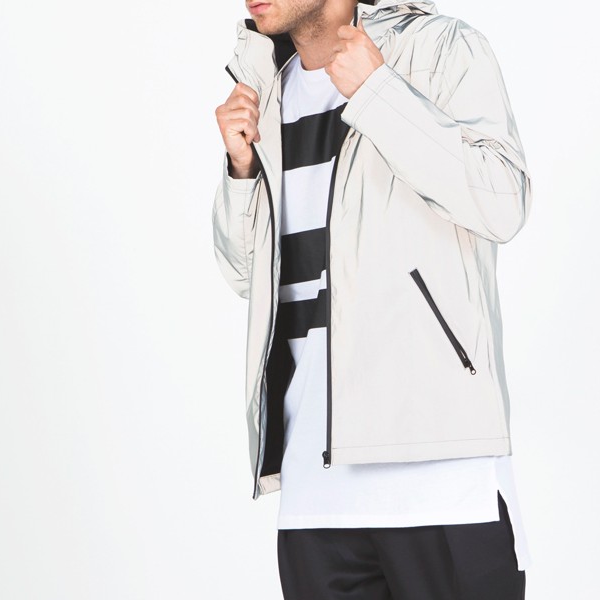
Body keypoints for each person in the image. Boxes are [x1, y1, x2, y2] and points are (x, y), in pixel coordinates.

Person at [212, 1, 533, 597]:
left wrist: (378, 92)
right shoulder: (265, 90)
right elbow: (247, 278)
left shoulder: (440, 49)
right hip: (314, 494)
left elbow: (502, 202)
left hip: (439, 475)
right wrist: (241, 170)